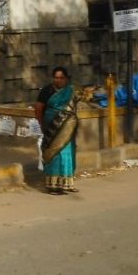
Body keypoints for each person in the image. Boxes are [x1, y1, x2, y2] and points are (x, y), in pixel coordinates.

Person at [35, 66, 93, 195]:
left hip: (68, 127)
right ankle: (53, 186)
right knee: (53, 153)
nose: (58, 80)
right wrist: (41, 123)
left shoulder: (71, 90)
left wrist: (91, 92)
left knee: (67, 153)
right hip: (51, 126)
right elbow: (38, 108)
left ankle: (67, 183)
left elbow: (86, 97)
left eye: (61, 78)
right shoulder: (46, 91)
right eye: (56, 78)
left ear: (66, 79)